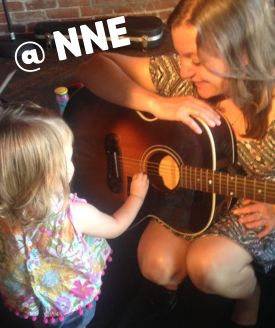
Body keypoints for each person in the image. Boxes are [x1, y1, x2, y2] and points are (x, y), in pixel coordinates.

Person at [76, 0, 275, 326]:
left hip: (257, 201)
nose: (183, 70)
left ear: (244, 54)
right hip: (197, 185)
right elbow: (93, 66)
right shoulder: (185, 80)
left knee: (208, 268)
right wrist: (158, 103)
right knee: (156, 266)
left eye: (196, 60)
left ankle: (250, 296)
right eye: (180, 55)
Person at [0, 102, 149, 328]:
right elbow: (117, 225)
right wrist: (136, 197)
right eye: (68, 159)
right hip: (69, 305)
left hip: (26, 301)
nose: (72, 164)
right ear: (49, 176)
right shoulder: (74, 214)